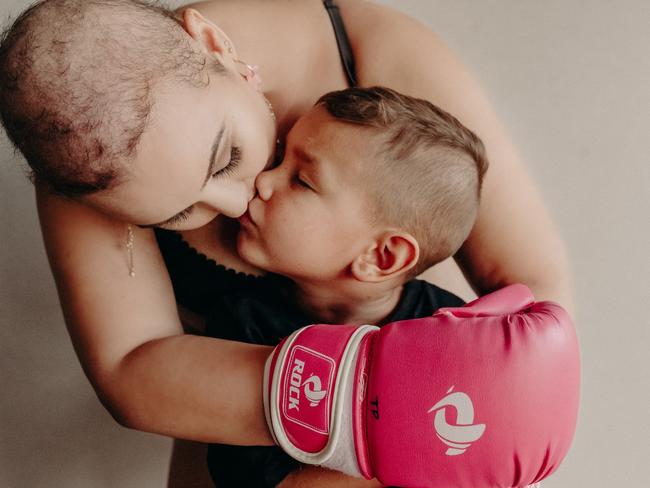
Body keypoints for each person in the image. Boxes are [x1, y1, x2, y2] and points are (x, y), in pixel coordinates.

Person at [0, 0, 574, 486]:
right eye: (176, 213)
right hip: (237, 455)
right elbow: (130, 369)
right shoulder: (83, 141)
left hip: (438, 422)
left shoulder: (375, 52)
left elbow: (538, 300)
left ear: (213, 43)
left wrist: (402, 426)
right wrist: (358, 403)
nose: (235, 203)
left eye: (227, 158)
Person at [203, 85, 486, 486]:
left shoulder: (451, 331)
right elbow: (255, 479)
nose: (262, 182)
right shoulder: (244, 324)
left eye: (301, 180)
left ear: (381, 257)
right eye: (279, 158)